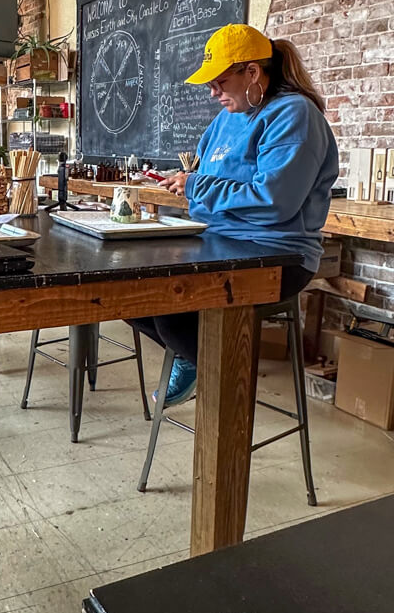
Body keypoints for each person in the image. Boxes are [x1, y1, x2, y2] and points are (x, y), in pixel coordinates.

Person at [132, 22, 338, 406]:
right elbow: (205, 182)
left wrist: (196, 186)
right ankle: (200, 357)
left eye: (220, 83)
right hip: (220, 241)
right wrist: (189, 183)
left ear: (253, 73)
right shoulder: (226, 119)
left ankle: (220, 378)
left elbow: (276, 202)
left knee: (170, 309)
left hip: (278, 252)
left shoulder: (295, 114)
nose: (213, 93)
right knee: (132, 292)